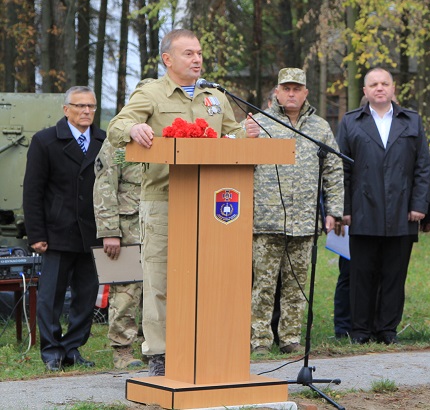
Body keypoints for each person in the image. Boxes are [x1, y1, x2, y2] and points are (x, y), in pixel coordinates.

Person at [107, 29, 260, 376]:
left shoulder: (215, 96)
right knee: (161, 278)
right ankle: (160, 354)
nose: (196, 59)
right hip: (164, 198)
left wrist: (245, 137)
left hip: (211, 204)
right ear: (168, 59)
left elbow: (230, 135)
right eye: (188, 53)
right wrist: (133, 130)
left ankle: (205, 344)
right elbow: (118, 125)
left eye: (199, 53)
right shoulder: (151, 93)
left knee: (208, 276)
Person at [250, 68, 343, 355]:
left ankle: (290, 337)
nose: (291, 93)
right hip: (267, 220)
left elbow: (334, 169)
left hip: (304, 221)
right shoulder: (258, 124)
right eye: (286, 88)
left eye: (297, 89)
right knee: (263, 286)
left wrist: (334, 210)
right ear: (276, 92)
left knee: (296, 286)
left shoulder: (319, 127)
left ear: (305, 93)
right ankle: (259, 340)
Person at [336, 68, 430, 344]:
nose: (380, 88)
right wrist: (345, 209)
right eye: (373, 84)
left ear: (393, 89)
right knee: (361, 274)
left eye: (385, 83)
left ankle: (387, 330)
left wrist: (419, 204)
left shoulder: (411, 121)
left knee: (394, 274)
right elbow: (341, 169)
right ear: (365, 91)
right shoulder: (351, 122)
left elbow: (423, 167)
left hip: (402, 211)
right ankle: (361, 330)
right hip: (363, 212)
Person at [23, 86, 105, 371]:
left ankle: (72, 349)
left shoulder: (103, 141)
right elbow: (32, 192)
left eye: (91, 107)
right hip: (57, 232)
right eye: (80, 106)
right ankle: (52, 351)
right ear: (66, 109)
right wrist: (37, 234)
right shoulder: (45, 141)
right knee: (51, 297)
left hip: (92, 233)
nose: (86, 112)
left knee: (86, 296)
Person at [93, 79, 154, 369]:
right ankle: (123, 350)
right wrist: (109, 232)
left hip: (158, 226)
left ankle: (153, 347)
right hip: (127, 229)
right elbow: (105, 186)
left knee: (157, 290)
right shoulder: (119, 140)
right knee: (126, 290)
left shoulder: (165, 136)